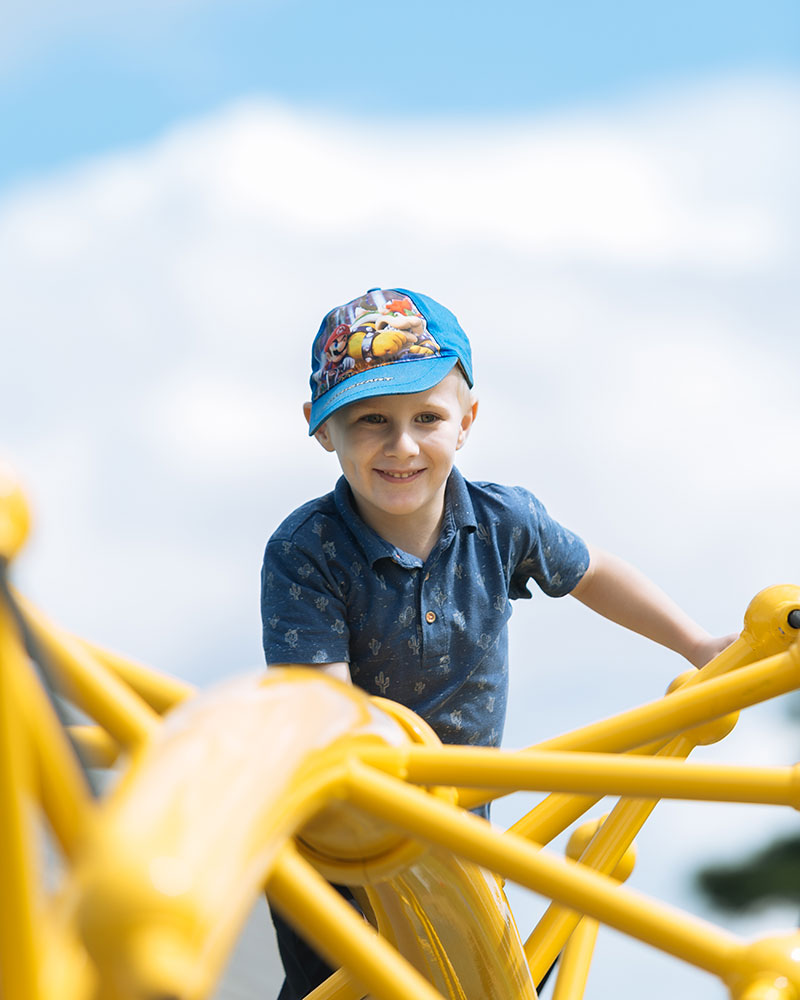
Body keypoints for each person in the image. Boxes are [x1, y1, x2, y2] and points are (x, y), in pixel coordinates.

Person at [261, 287, 734, 999]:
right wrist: (373, 770)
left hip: (458, 825)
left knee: (488, 978)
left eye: (427, 417)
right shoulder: (309, 550)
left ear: (467, 420)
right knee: (346, 985)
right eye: (370, 422)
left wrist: (697, 644)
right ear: (321, 429)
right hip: (338, 833)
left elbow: (593, 572)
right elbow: (322, 702)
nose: (402, 446)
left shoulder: (504, 521)